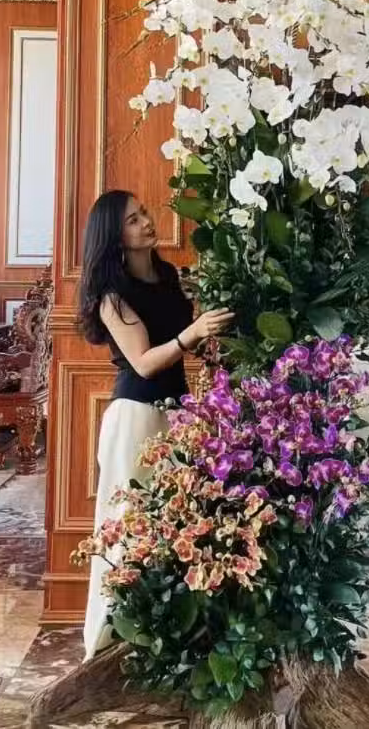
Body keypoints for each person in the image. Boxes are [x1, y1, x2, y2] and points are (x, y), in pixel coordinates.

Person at [78, 189, 233, 659]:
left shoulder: (169, 277)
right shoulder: (112, 297)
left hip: (175, 414)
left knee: (174, 526)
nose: (146, 222)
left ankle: (162, 640)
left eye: (144, 213)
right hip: (136, 417)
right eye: (132, 220)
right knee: (125, 527)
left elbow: (188, 339)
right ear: (114, 236)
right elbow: (144, 362)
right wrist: (194, 333)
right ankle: (106, 640)